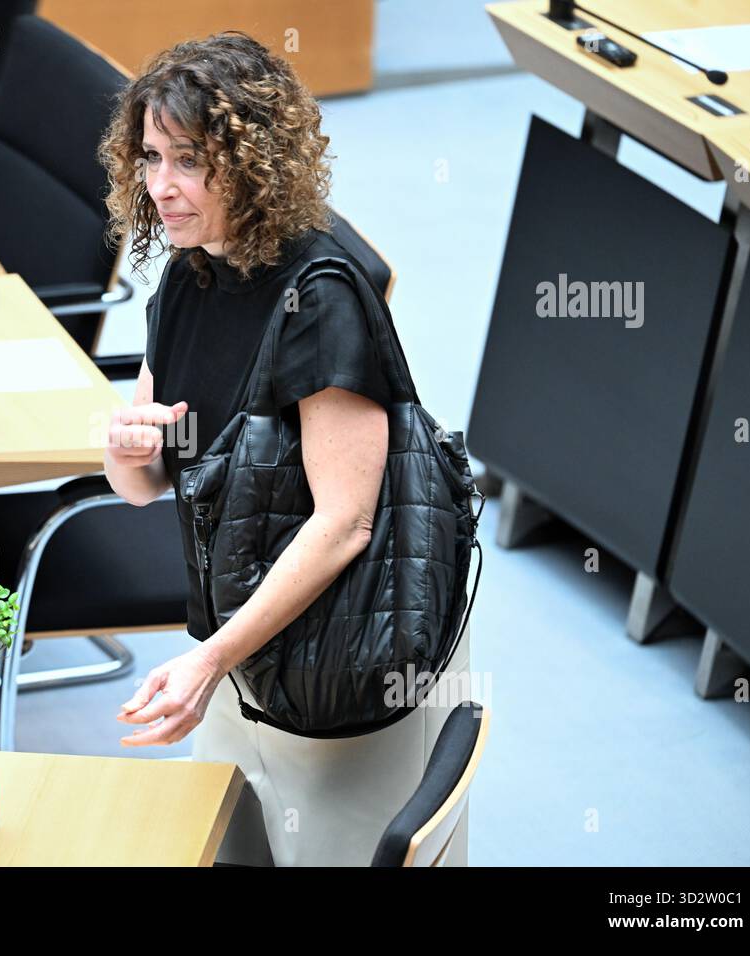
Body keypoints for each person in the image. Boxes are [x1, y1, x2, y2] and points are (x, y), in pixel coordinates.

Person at [97, 32, 472, 866]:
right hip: (236, 650)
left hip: (338, 653)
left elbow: (344, 523)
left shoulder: (321, 298)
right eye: (151, 158)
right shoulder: (190, 280)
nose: (161, 187)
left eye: (189, 161)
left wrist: (211, 658)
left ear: (253, 160)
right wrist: (128, 449)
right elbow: (150, 478)